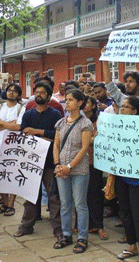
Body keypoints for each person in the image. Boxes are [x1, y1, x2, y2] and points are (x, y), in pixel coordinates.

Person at [13, 82, 63, 240]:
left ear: (49, 96)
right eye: (37, 92)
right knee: (30, 196)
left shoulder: (55, 114)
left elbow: (58, 135)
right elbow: (23, 134)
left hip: (49, 161)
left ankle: (58, 229)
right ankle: (26, 225)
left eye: (42, 92)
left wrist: (37, 132)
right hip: (31, 161)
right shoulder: (28, 114)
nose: (39, 94)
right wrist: (44, 137)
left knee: (53, 196)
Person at [52, 89, 93, 254]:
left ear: (80, 102)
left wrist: (69, 166)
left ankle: (82, 237)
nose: (67, 102)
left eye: (71, 100)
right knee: (65, 203)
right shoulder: (61, 123)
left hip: (79, 170)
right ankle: (66, 234)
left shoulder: (85, 123)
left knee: (80, 204)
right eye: (66, 99)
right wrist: (57, 164)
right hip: (61, 169)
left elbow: (84, 148)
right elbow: (56, 145)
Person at [115, 96, 139, 262]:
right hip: (121, 175)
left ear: (135, 111)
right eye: (121, 107)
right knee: (125, 212)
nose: (122, 109)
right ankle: (132, 245)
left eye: (126, 107)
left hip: (137, 178)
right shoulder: (116, 127)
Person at [0, 83, 25, 216]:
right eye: (9, 90)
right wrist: (9, 123)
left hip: (12, 147)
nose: (11, 93)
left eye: (14, 91)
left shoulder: (21, 108)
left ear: (19, 94)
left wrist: (2, 124)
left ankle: (11, 204)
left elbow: (18, 127)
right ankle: (5, 203)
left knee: (12, 176)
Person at [82, 96, 108, 240]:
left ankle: (98, 225)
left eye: (88, 103)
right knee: (80, 196)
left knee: (95, 195)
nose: (85, 105)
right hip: (79, 162)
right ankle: (82, 224)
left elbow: (101, 138)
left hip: (95, 162)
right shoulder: (77, 119)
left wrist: (88, 140)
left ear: (93, 106)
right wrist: (90, 139)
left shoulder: (100, 121)